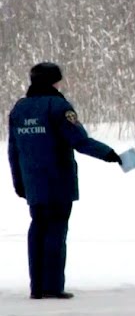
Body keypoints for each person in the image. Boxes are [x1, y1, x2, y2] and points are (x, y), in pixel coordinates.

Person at [8, 62, 122, 299]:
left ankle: (37, 286)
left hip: (33, 183)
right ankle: (52, 286)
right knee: (56, 231)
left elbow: (13, 150)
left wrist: (19, 182)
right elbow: (80, 141)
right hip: (57, 180)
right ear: (54, 81)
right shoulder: (58, 107)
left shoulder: (19, 109)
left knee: (38, 229)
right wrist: (111, 154)